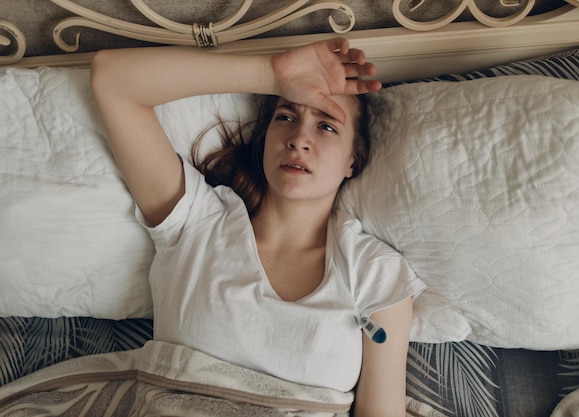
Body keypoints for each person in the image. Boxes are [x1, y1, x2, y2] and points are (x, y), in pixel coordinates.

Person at [90, 37, 425, 416]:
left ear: (353, 160)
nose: (299, 139)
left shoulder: (375, 273)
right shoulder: (194, 222)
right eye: (286, 117)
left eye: (326, 126)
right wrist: (270, 74)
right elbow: (111, 79)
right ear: (265, 138)